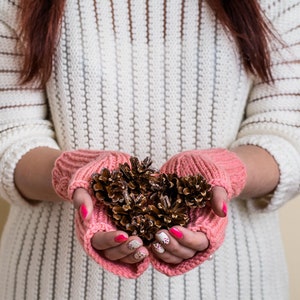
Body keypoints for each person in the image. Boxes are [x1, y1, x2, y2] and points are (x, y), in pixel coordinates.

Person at [0, 0, 299, 299]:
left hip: (236, 283)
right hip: (51, 283)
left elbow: (287, 134)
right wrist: (74, 173)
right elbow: (10, 135)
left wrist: (225, 173)